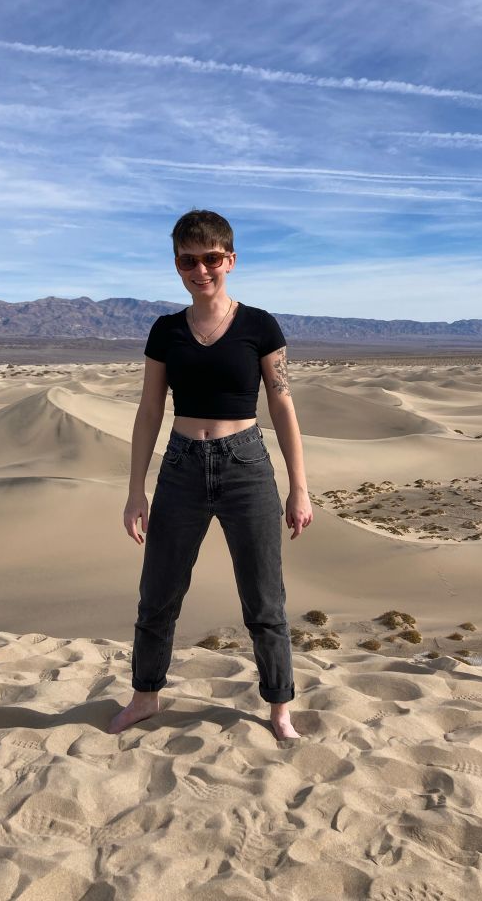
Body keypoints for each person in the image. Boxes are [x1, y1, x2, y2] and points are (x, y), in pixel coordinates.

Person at [108, 209, 313, 740]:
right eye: (188, 261)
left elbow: (283, 404)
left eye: (211, 258)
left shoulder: (260, 326)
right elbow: (149, 410)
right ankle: (145, 697)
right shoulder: (165, 331)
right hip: (180, 468)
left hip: (246, 466)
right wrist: (135, 491)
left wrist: (300, 487)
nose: (201, 270)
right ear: (177, 265)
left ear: (230, 260)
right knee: (158, 595)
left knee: (264, 600)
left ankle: (279, 708)